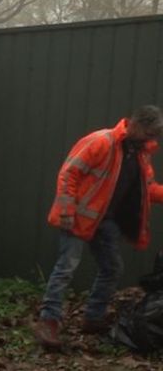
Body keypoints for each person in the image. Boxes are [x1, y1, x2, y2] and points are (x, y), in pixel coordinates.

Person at [35, 105, 163, 350]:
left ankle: (93, 317)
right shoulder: (101, 141)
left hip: (105, 221)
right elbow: (68, 173)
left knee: (112, 267)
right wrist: (65, 211)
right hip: (75, 217)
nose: (153, 140)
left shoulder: (140, 155)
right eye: (150, 134)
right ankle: (48, 321)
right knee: (66, 267)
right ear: (136, 125)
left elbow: (150, 190)